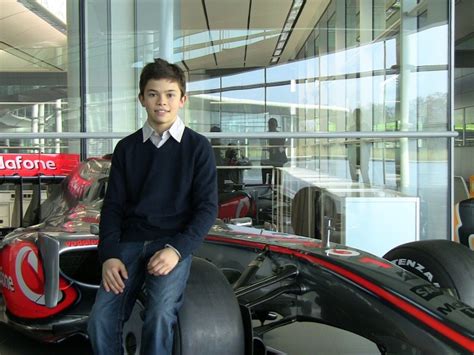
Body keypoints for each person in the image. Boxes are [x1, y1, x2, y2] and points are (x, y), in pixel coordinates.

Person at [87, 58, 218, 355]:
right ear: (141, 99)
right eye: (153, 94)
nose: (162, 102)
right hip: (128, 244)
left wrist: (176, 250)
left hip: (171, 245)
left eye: (170, 94)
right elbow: (113, 208)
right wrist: (109, 256)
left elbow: (207, 208)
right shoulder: (127, 148)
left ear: (183, 100)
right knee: (100, 320)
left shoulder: (198, 148)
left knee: (159, 315)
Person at [261, 117, 288, 185]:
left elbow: (284, 146)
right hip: (272, 158)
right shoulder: (268, 134)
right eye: (270, 125)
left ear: (276, 126)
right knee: (272, 174)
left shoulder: (280, 135)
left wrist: (277, 150)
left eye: (272, 125)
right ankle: (269, 186)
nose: (270, 127)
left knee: (277, 177)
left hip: (279, 159)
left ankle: (276, 189)